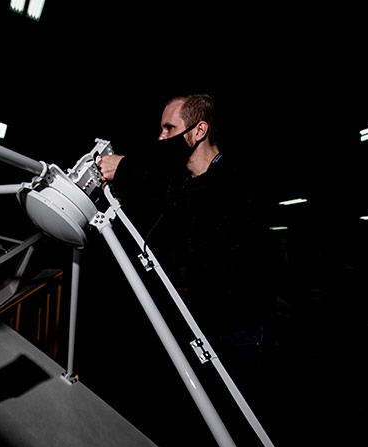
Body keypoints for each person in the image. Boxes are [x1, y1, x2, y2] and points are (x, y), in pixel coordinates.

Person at [97, 93, 278, 362]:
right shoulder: (187, 183)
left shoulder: (233, 178)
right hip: (207, 329)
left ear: (199, 130)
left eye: (170, 128)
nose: (161, 137)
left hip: (244, 335)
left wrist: (124, 168)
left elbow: (207, 204)